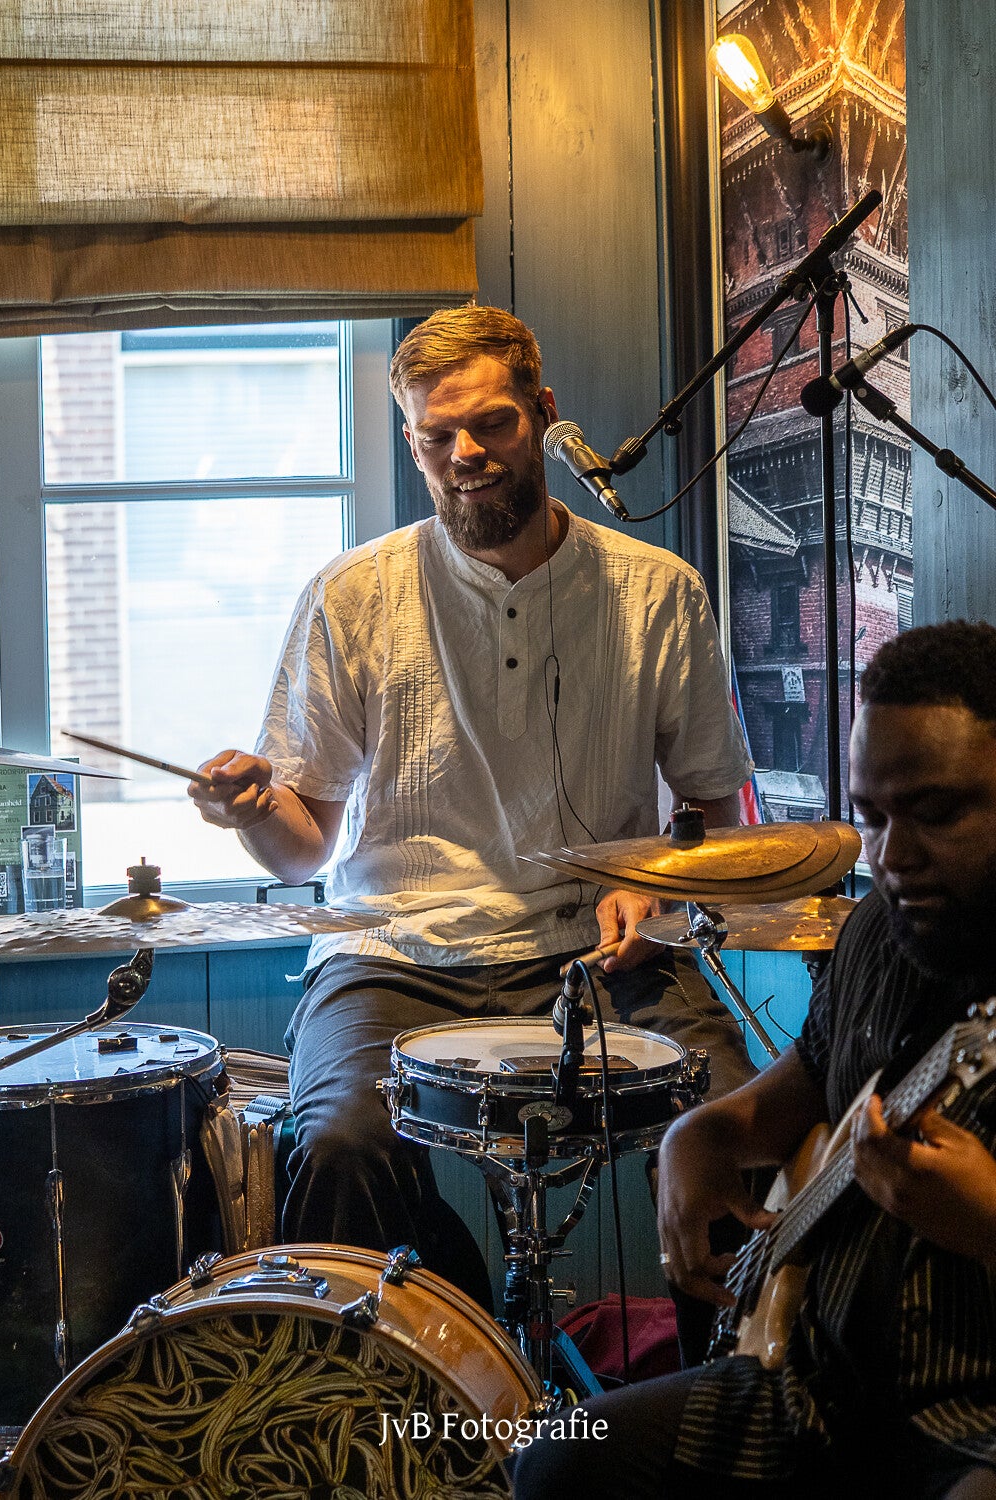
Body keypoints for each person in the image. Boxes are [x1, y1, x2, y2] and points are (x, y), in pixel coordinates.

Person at [189, 304, 756, 1313]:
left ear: (541, 413)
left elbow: (715, 811)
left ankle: (731, 1379)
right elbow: (301, 853)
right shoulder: (351, 595)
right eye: (436, 435)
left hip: (602, 950)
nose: (466, 454)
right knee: (336, 1143)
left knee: (743, 1124)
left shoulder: (658, 592)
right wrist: (255, 810)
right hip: (392, 955)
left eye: (491, 423)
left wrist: (658, 887)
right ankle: (415, 1382)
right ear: (412, 443)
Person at [512, 618, 996, 1500]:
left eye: (937, 813)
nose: (893, 857)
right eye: (873, 818)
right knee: (560, 1462)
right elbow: (809, 1081)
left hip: (972, 1425)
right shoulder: (877, 934)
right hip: (813, 1389)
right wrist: (700, 1136)